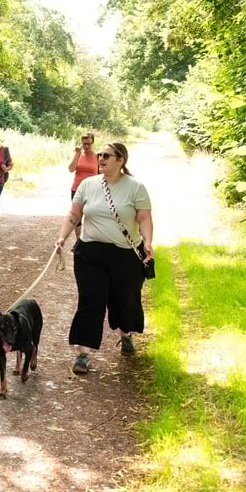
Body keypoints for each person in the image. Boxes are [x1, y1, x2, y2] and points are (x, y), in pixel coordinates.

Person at [55, 142, 153, 374]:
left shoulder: (135, 187)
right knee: (90, 301)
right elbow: (74, 214)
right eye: (100, 155)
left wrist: (148, 241)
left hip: (126, 255)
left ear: (121, 161)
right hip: (90, 254)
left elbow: (144, 218)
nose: (101, 158)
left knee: (124, 300)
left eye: (107, 155)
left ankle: (126, 334)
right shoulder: (88, 184)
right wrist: (61, 238)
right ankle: (83, 353)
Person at [67, 132, 98, 241]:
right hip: (77, 189)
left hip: (92, 190)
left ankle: (90, 240)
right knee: (76, 216)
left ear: (92, 143)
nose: (86, 147)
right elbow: (71, 169)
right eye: (84, 144)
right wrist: (77, 154)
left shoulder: (98, 156)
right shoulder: (79, 155)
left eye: (89, 144)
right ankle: (78, 241)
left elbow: (101, 175)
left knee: (92, 214)